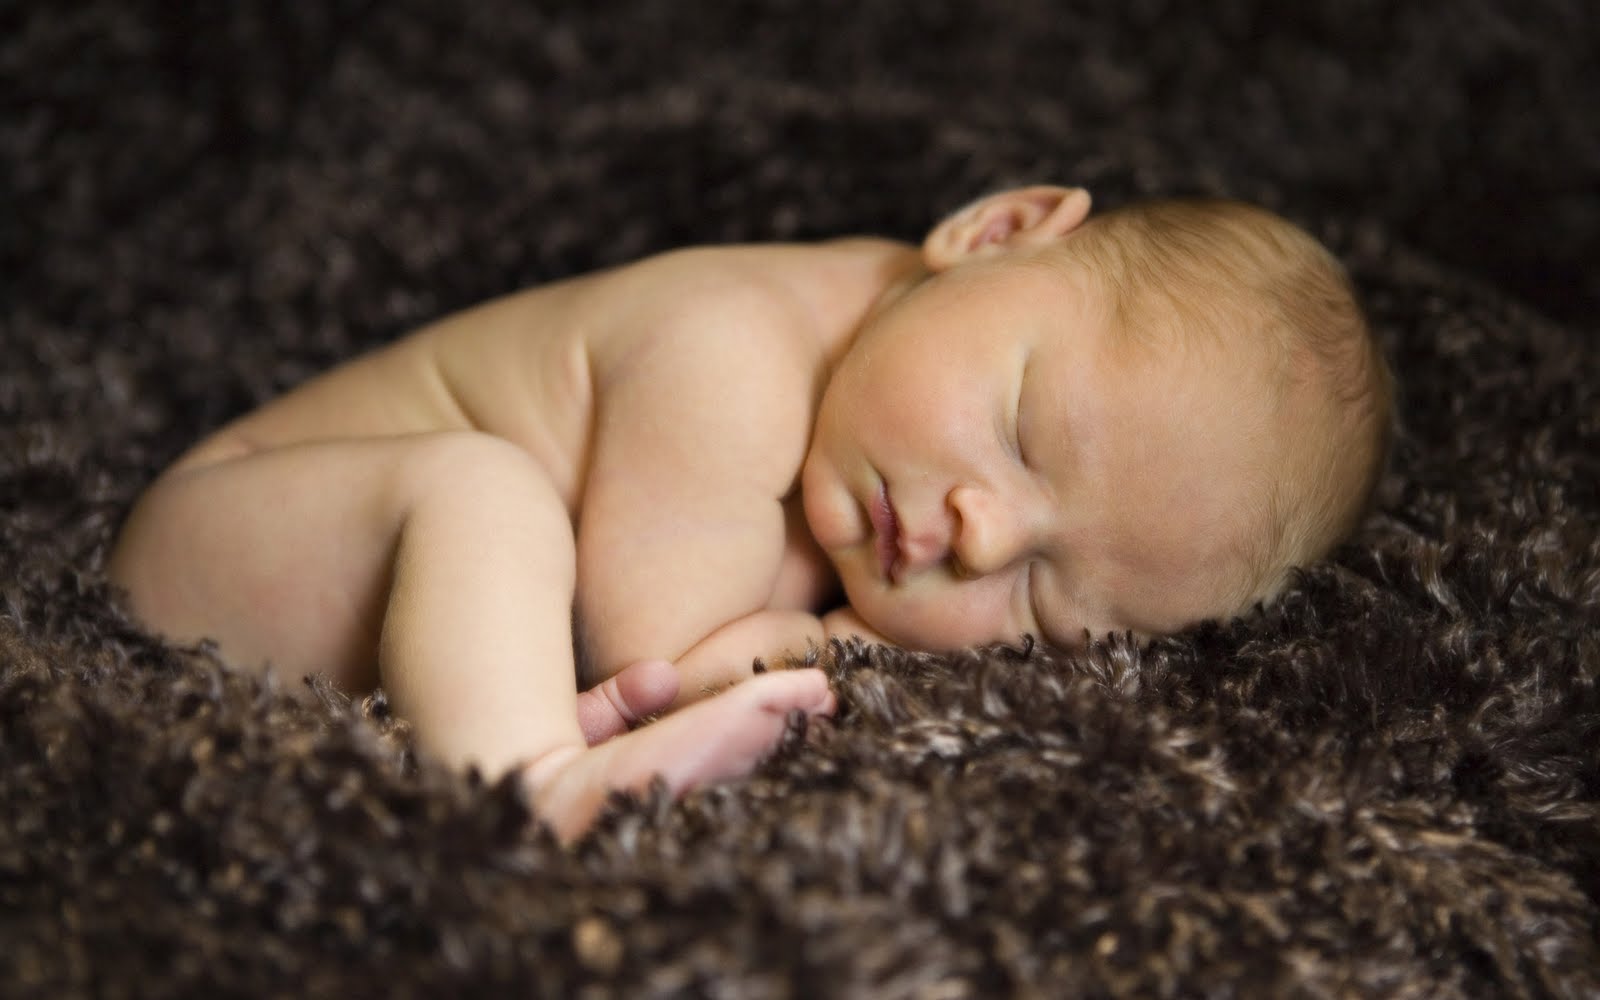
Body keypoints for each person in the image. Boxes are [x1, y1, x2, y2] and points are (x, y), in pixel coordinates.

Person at [108, 186, 1392, 838]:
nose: (984, 534)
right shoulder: (729, 352)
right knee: (482, 486)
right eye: (1018, 431)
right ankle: (532, 784)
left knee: (493, 502)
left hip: (342, 621)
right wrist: (826, 640)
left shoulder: (890, 372)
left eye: (1049, 600)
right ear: (995, 229)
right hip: (228, 539)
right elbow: (658, 651)